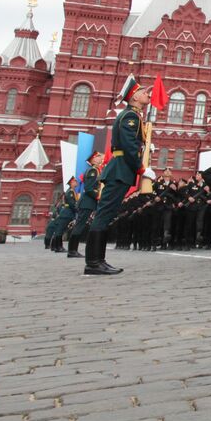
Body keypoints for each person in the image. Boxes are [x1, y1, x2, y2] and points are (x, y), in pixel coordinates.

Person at [85, 75, 148, 276]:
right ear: (135, 97)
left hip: (120, 169)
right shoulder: (130, 116)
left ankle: (98, 260)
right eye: (144, 92)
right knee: (104, 214)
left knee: (107, 214)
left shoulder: (132, 115)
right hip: (120, 169)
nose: (148, 94)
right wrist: (141, 167)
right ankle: (94, 262)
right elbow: (130, 146)